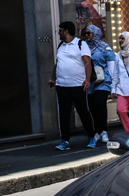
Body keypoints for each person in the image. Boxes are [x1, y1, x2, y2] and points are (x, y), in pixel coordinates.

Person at [48, 21, 96, 151]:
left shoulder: (81, 44)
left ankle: (91, 136)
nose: (58, 32)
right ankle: (65, 141)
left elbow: (87, 63)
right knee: (64, 113)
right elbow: (58, 63)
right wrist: (53, 78)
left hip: (77, 85)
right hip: (62, 85)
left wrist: (87, 80)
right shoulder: (61, 46)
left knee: (83, 111)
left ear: (66, 31)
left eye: (60, 30)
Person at [84, 24, 115, 144]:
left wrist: (113, 86)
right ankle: (97, 131)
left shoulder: (105, 48)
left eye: (89, 33)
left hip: (104, 80)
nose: (87, 36)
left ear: (95, 34)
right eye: (85, 34)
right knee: (92, 107)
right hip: (91, 81)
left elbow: (112, 66)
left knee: (100, 103)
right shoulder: (84, 48)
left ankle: (104, 131)